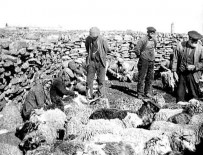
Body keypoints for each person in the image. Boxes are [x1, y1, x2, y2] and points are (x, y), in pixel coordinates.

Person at [171, 30, 203, 102]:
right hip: (182, 72)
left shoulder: (200, 49)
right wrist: (174, 71)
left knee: (194, 95)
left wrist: (195, 66)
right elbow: (175, 58)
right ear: (190, 39)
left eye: (197, 42)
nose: (196, 43)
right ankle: (180, 103)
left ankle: (194, 105)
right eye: (194, 42)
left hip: (193, 74)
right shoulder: (181, 45)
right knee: (179, 95)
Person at [85, 27, 110, 99]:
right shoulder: (88, 39)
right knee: (89, 80)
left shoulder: (103, 40)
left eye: (95, 37)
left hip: (100, 62)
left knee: (101, 80)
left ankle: (101, 95)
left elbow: (107, 50)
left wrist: (101, 56)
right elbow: (87, 48)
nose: (93, 38)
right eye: (92, 37)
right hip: (91, 61)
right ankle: (89, 96)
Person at [135, 27, 157, 99]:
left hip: (151, 60)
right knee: (142, 77)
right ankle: (140, 93)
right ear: (148, 32)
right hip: (144, 60)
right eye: (151, 33)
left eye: (153, 33)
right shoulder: (143, 40)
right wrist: (141, 56)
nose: (152, 34)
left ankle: (147, 92)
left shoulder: (154, 40)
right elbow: (137, 49)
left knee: (150, 77)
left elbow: (154, 48)